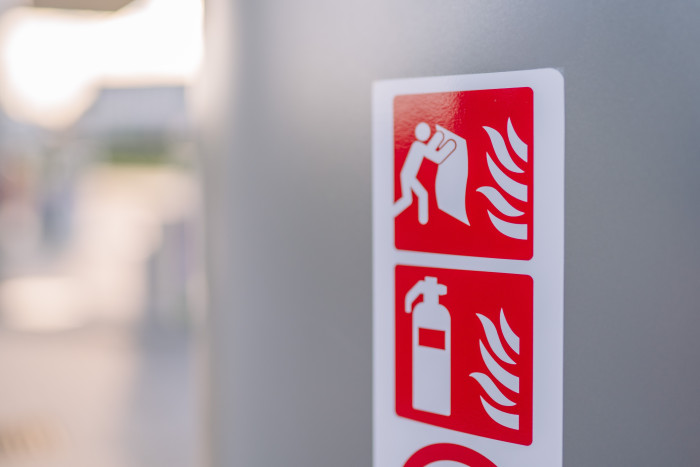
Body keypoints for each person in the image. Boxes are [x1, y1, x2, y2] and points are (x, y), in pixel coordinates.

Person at [394, 122, 457, 224]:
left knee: (408, 199)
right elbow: (436, 157)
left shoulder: (419, 145)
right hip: (408, 176)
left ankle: (391, 213)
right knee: (421, 195)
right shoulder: (418, 146)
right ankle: (423, 221)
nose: (427, 135)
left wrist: (439, 138)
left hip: (408, 175)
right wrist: (448, 147)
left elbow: (430, 150)